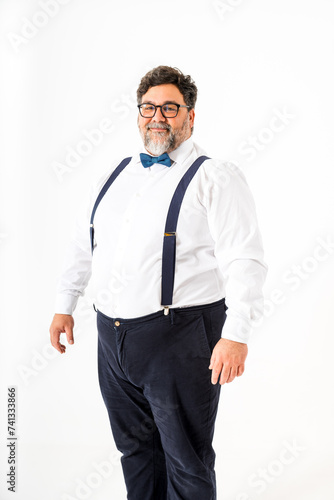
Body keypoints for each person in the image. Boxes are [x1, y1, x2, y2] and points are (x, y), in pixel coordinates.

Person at [49, 65, 267, 500]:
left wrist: (237, 333)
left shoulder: (214, 176)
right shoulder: (115, 174)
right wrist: (64, 302)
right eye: (149, 107)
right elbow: (85, 241)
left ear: (190, 115)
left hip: (181, 336)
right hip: (111, 337)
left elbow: (246, 258)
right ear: (137, 114)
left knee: (186, 459)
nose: (157, 117)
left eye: (170, 107)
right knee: (135, 450)